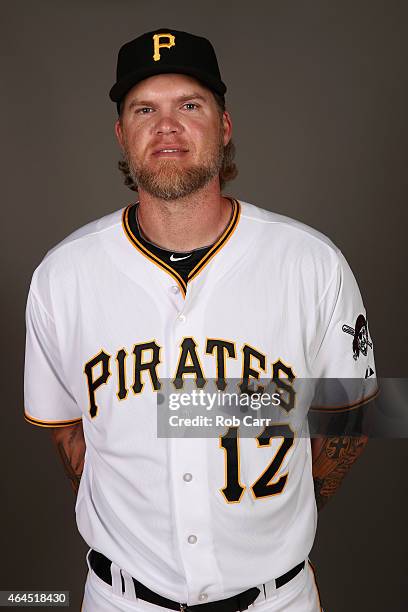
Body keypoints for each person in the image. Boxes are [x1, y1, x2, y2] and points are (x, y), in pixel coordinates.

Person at [24, 28, 377, 611]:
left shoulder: (312, 261)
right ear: (122, 133)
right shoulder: (62, 275)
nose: (167, 126)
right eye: (145, 109)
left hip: (276, 600)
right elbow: (68, 431)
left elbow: (353, 418)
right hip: (122, 600)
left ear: (225, 125)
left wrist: (283, 508)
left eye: (189, 105)